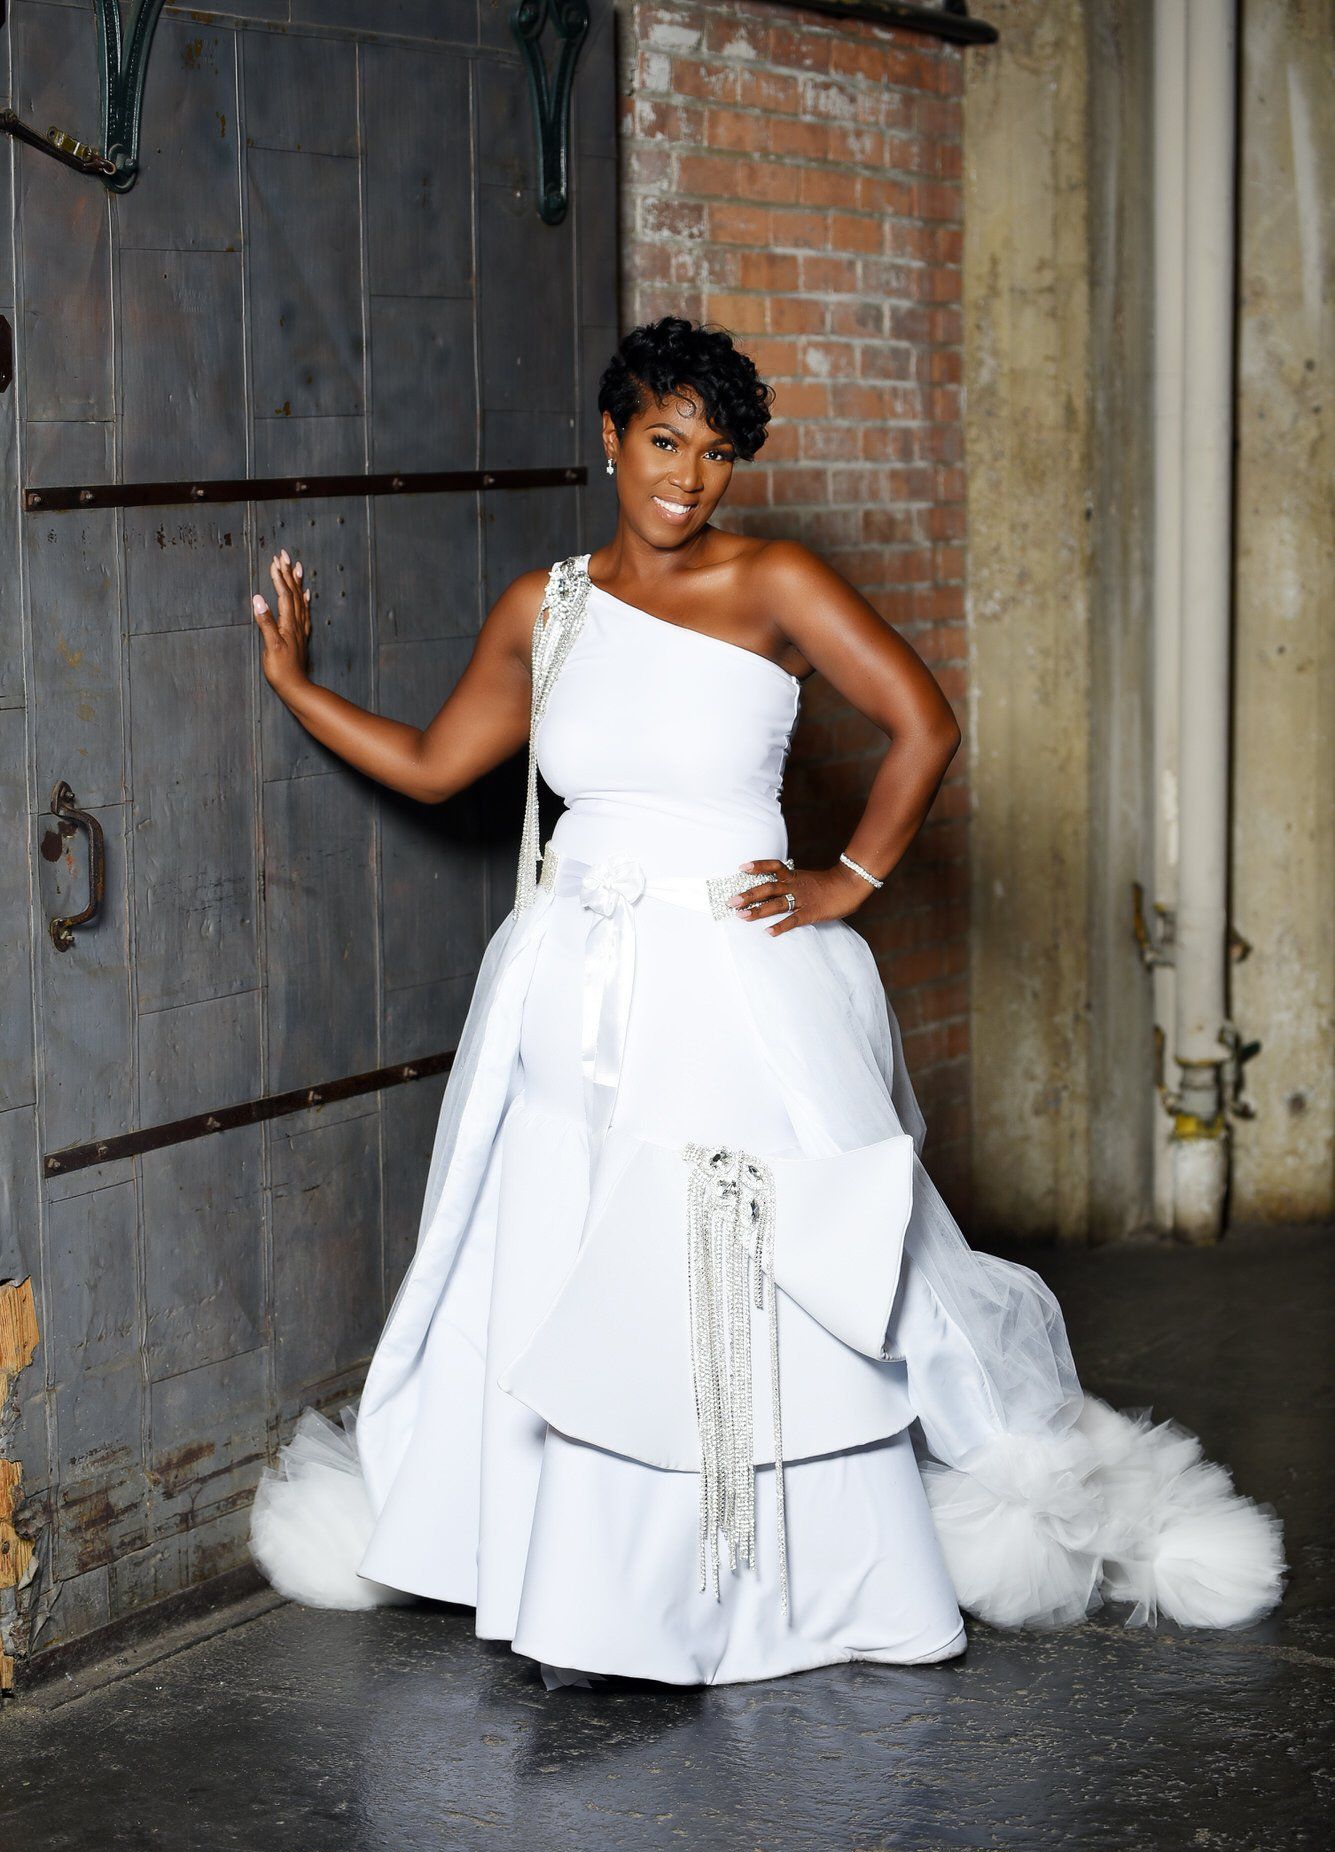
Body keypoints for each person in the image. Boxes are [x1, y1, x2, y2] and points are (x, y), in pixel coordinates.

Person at [247, 316, 1284, 1690]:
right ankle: (558, 1575)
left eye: (717, 453)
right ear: (611, 436)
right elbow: (442, 764)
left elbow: (924, 723)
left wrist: (846, 880)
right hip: (570, 988)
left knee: (734, 1262)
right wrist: (296, 685)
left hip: (730, 984)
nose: (688, 476)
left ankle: (720, 1592)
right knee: (561, 1253)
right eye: (663, 440)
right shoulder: (547, 607)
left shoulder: (775, 579)